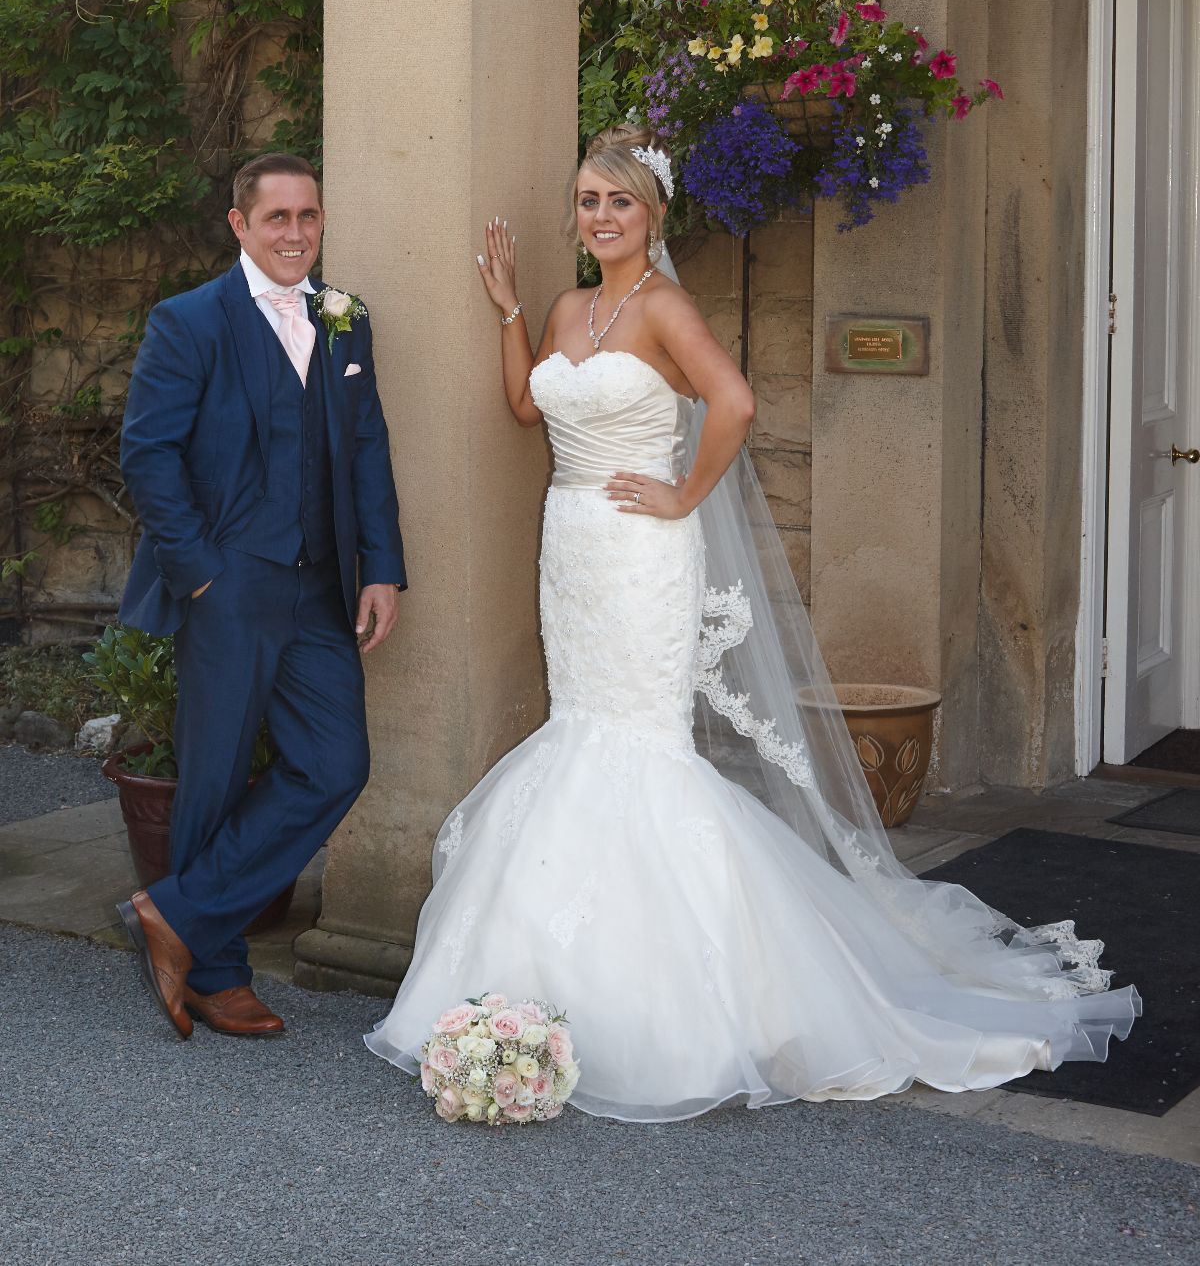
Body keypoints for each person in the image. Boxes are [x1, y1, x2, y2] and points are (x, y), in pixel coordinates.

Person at [365, 123, 1138, 1121]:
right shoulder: (568, 306)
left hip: (643, 552)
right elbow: (526, 407)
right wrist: (512, 312)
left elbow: (733, 401)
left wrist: (684, 495)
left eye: (620, 202)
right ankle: (555, 985)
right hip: (573, 550)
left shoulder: (664, 307)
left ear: (654, 215)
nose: (602, 217)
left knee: (640, 742)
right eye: (590, 202)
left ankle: (687, 1002)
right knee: (581, 725)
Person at [117, 152, 406, 1039]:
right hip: (229, 581)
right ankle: (215, 971)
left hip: (320, 585)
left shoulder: (345, 319)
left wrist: (381, 566)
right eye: (277, 217)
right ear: (240, 224)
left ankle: (176, 913)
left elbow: (366, 448)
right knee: (212, 775)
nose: (295, 232)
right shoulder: (188, 320)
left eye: (307, 216)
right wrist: (201, 571)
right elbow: (148, 453)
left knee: (335, 763)